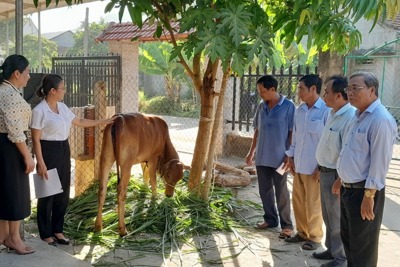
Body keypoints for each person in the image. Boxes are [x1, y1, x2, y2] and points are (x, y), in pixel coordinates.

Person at [30, 74, 114, 246]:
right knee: (47, 193)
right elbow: (36, 139)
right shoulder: (39, 111)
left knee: (62, 192)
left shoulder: (62, 107)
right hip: (47, 151)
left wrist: (103, 121)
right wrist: (41, 162)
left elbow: (80, 121)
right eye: (62, 88)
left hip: (63, 149)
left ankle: (57, 230)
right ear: (53, 91)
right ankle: (45, 233)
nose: (64, 91)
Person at [337, 72, 397, 267]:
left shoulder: (381, 120)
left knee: (363, 246)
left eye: (356, 88)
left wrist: (369, 196)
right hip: (349, 189)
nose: (350, 92)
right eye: (348, 88)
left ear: (372, 90)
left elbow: (379, 163)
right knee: (350, 240)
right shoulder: (357, 116)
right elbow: (350, 153)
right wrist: (341, 178)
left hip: (364, 191)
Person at [284, 74, 330, 251]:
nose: (298, 92)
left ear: (313, 89)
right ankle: (302, 232)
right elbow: (295, 137)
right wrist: (291, 157)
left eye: (301, 88)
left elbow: (327, 143)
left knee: (313, 203)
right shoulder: (300, 110)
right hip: (299, 165)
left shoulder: (326, 111)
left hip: (314, 168)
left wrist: (321, 167)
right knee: (298, 200)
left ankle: (315, 236)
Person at [245, 75, 295, 239]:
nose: (260, 94)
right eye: (259, 90)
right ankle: (270, 219)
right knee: (264, 190)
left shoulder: (288, 106)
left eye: (262, 91)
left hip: (280, 158)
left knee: (281, 191)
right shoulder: (261, 106)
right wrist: (251, 152)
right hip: (262, 157)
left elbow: (291, 133)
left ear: (273, 89)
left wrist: (290, 154)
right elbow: (257, 131)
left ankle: (286, 225)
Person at [314, 76, 355, 267]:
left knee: (337, 219)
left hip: (336, 176)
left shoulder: (350, 117)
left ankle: (341, 259)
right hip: (325, 172)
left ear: (339, 95)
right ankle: (331, 250)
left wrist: (340, 179)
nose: (324, 96)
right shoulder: (332, 113)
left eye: (327, 92)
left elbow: (347, 152)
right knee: (327, 215)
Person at [0, 54, 36, 255]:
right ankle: (14, 238)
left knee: (6, 192)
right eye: (27, 72)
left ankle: (4, 236)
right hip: (11, 147)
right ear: (16, 73)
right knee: (15, 194)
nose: (29, 77)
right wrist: (27, 156)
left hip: (6, 146)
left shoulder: (7, 91)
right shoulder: (9, 94)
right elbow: (15, 131)